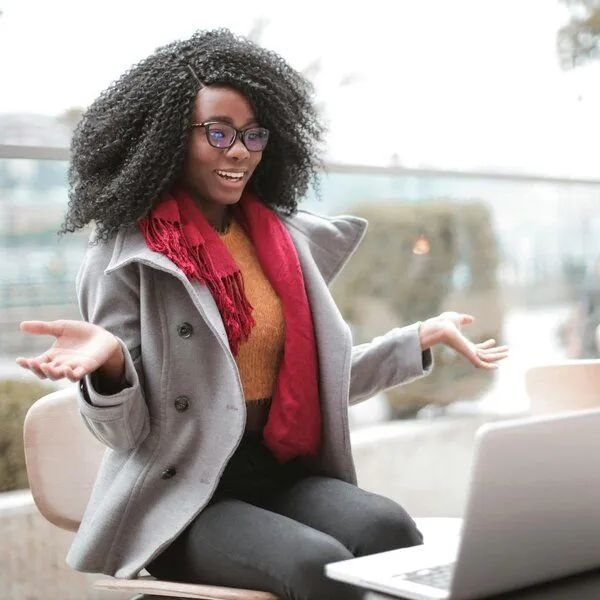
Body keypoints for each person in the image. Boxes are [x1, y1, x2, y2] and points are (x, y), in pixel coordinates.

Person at [16, 29, 508, 600]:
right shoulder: (126, 258)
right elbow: (127, 433)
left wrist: (416, 339)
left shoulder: (279, 242)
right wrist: (109, 370)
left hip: (276, 471)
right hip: (187, 496)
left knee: (389, 530)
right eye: (218, 132)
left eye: (252, 134)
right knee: (318, 565)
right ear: (168, 139)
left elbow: (314, 384)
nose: (239, 151)